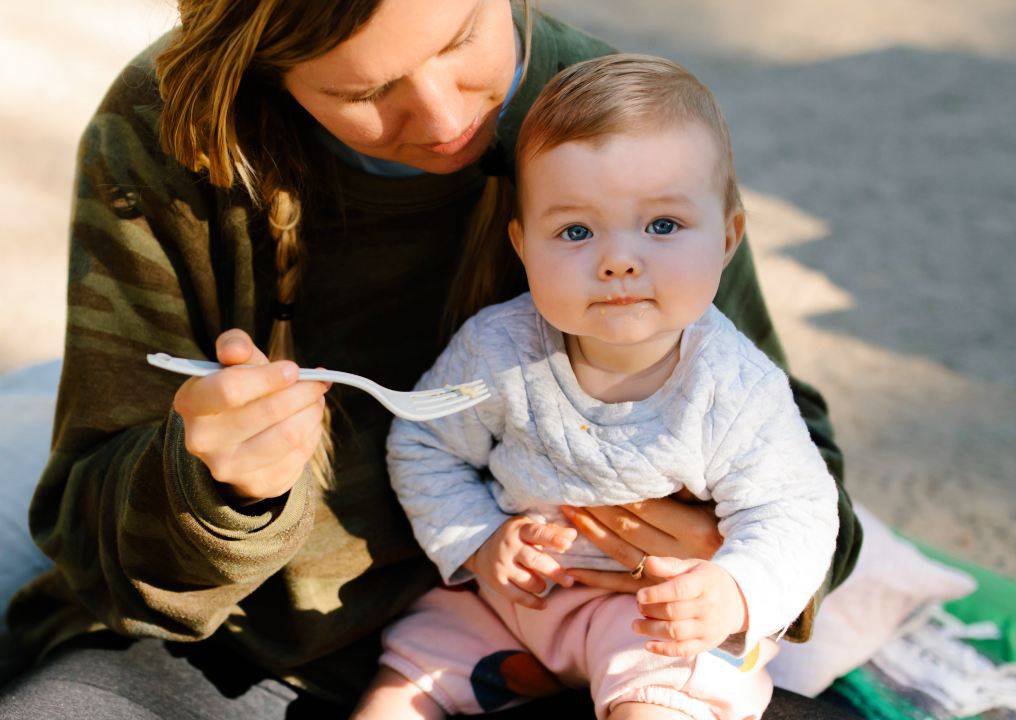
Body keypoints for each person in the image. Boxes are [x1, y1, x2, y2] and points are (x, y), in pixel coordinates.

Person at [0, 1, 862, 718]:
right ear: (264, 65)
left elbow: (805, 480)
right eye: (365, 91)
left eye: (461, 38)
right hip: (255, 657)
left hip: (605, 637)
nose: (448, 121)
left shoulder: (621, 129)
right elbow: (93, 541)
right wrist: (215, 494)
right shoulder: (173, 133)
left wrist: (730, 558)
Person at [350, 56, 839, 720]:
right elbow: (423, 444)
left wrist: (735, 590)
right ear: (523, 246)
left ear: (728, 238)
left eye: (662, 225)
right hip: (510, 604)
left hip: (649, 614)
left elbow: (796, 509)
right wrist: (480, 541)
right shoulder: (499, 349)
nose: (618, 260)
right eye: (575, 231)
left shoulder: (733, 387)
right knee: (400, 688)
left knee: (664, 699)